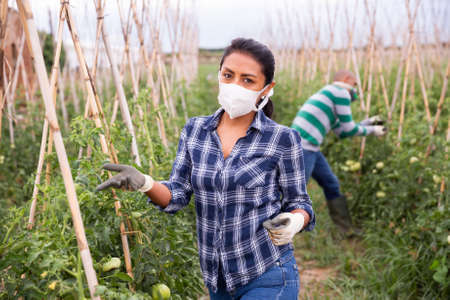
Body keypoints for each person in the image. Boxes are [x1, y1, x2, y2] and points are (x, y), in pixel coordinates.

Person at [96, 38, 315, 299]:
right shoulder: (195, 130)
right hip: (217, 279)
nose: (235, 86)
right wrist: (145, 183)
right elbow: (177, 193)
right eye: (228, 75)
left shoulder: (282, 139)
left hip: (267, 272)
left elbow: (299, 201)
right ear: (219, 75)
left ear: (267, 88)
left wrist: (296, 220)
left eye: (247, 80)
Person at [291, 70, 386, 236]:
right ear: (346, 79)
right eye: (355, 84)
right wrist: (374, 130)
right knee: (294, 192)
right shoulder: (340, 92)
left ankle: (346, 230)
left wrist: (369, 122)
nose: (355, 90)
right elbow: (349, 128)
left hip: (310, 147)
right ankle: (276, 235)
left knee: (331, 183)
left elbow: (342, 131)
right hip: (302, 147)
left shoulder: (329, 95)